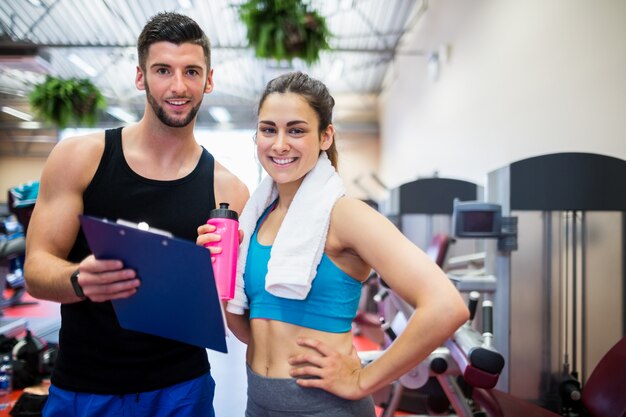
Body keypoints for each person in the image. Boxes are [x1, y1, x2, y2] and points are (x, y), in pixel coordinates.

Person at [197, 71, 469, 417]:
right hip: (259, 401)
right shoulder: (257, 219)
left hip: (323, 407)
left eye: (296, 130)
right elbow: (251, 331)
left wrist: (363, 381)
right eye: (269, 129)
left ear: (325, 136)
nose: (279, 144)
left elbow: (446, 305)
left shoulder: (345, 215)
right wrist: (217, 269)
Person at [23, 12, 248, 417]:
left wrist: (213, 276)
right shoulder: (79, 158)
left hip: (183, 390)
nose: (178, 87)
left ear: (209, 81)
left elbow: (234, 309)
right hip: (84, 388)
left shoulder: (228, 191)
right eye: (163, 70)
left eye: (191, 71)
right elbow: (36, 269)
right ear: (141, 76)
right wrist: (78, 280)